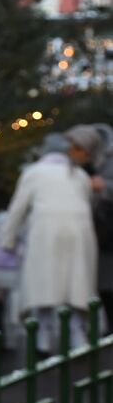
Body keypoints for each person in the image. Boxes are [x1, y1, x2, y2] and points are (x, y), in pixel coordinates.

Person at [0, 133, 97, 351]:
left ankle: (42, 334)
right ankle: (77, 333)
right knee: (75, 283)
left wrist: (7, 240)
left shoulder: (33, 173)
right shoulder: (79, 174)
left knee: (43, 283)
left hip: (45, 232)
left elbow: (17, 210)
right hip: (79, 233)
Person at [66, 123, 113, 331]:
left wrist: (104, 187)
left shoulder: (108, 163)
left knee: (108, 285)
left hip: (109, 233)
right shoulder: (77, 165)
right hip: (94, 233)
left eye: (78, 148)